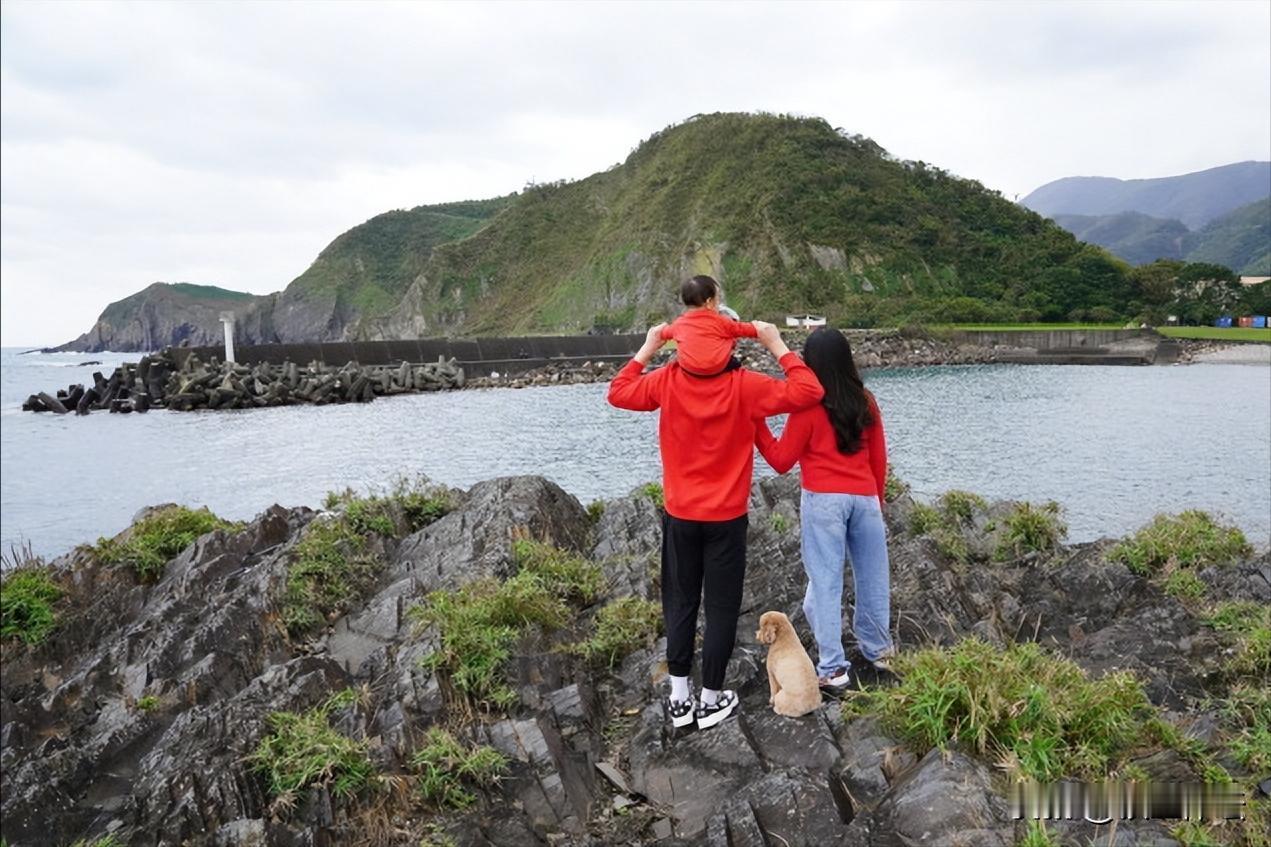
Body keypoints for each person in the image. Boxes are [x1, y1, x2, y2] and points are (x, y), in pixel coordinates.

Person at [607, 278, 824, 730]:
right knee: (722, 607)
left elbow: (618, 392)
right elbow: (809, 392)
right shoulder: (746, 386)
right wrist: (777, 343)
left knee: (681, 602)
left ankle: (681, 697)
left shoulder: (666, 380)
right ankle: (711, 700)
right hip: (727, 518)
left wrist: (647, 348)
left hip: (680, 515)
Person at [754, 326, 894, 692]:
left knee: (827, 583)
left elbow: (782, 460)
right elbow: (879, 459)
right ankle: (879, 651)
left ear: (811, 363)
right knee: (873, 580)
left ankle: (833, 668)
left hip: (824, 501)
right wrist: (876, 501)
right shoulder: (866, 400)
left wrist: (757, 426)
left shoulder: (808, 407)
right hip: (865, 499)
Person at [659, 275, 758, 375]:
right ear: (709, 302)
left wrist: (660, 331)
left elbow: (663, 333)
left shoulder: (679, 324)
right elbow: (743, 329)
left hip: (689, 368)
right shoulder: (721, 321)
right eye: (717, 297)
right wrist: (756, 327)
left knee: (680, 350)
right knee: (729, 336)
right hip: (717, 367)